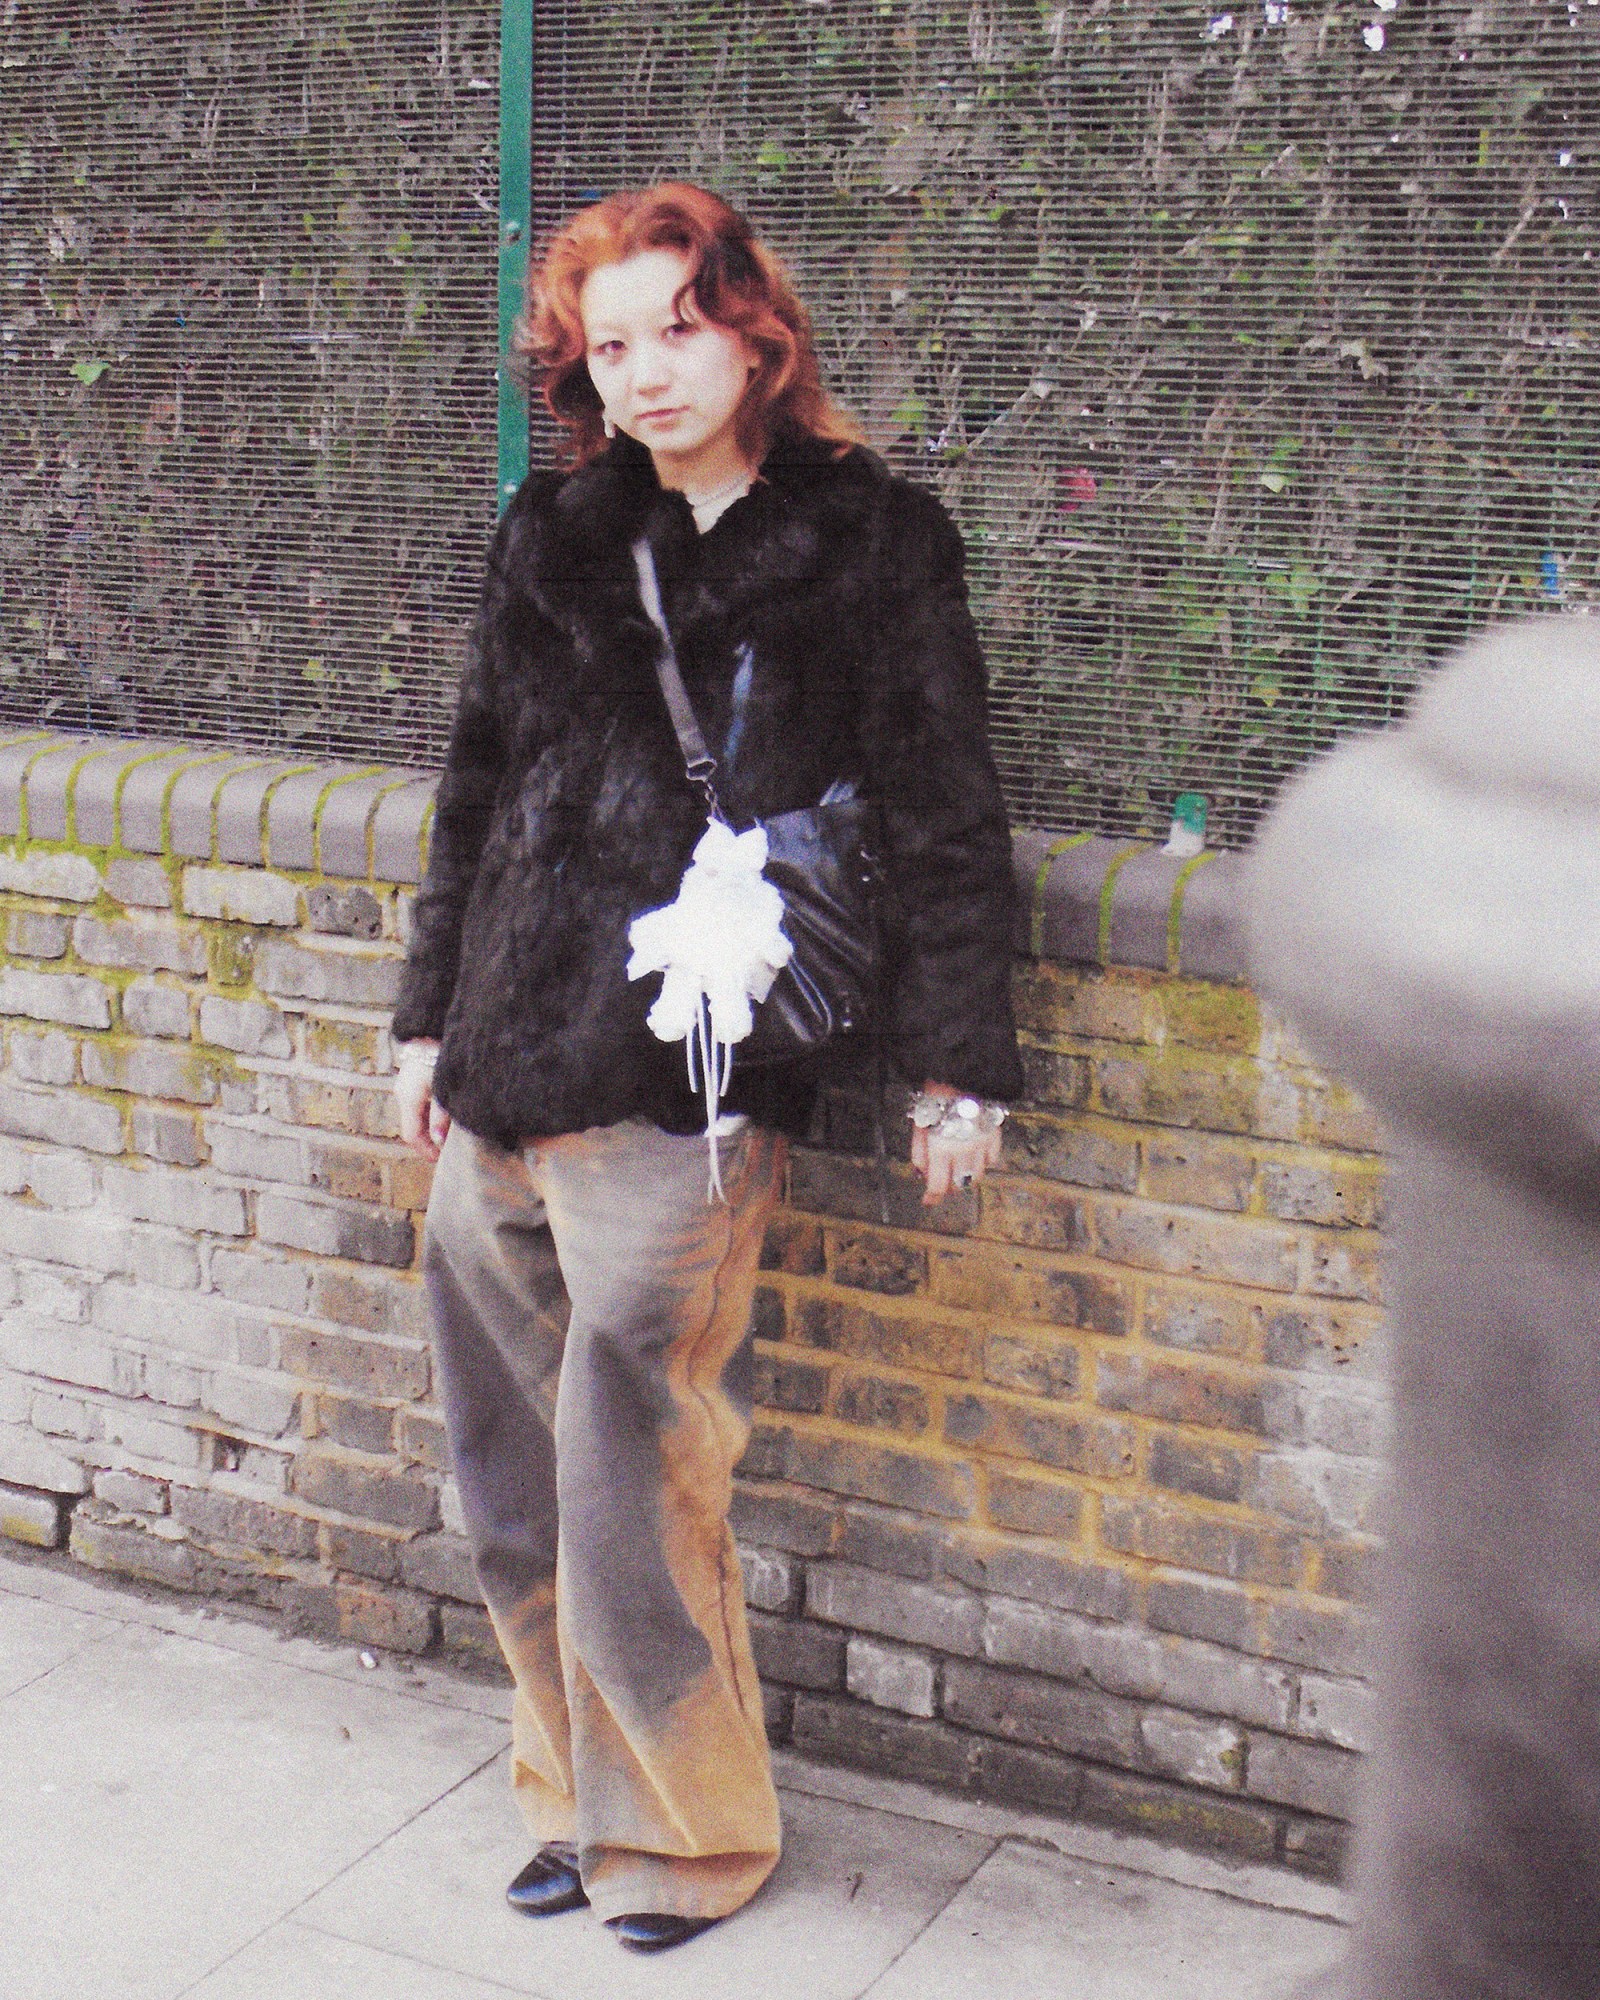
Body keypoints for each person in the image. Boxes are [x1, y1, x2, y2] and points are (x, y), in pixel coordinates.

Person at [390, 182, 1022, 1955]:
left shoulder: (874, 544)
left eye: (680, 327)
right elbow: (478, 789)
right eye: (613, 345)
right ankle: (573, 1800)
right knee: (509, 1482)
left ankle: (681, 1840)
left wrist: (957, 1068)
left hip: (689, 1084)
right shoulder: (556, 531)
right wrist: (427, 1019)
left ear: (756, 332)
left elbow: (943, 815)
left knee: (635, 1483)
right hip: (505, 1070)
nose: (649, 372)